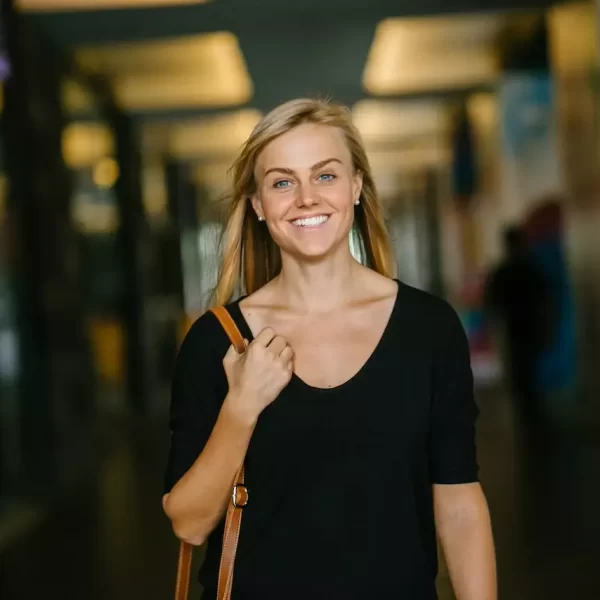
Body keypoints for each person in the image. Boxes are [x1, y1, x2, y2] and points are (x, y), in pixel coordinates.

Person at [163, 98, 496, 599]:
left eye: (325, 176)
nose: (305, 198)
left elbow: (458, 503)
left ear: (356, 187)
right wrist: (242, 406)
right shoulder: (218, 342)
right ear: (257, 205)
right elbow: (188, 523)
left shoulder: (428, 329)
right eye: (281, 182)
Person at [485, 225, 555, 423]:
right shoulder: (531, 269)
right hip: (529, 327)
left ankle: (526, 412)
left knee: (518, 370)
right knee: (529, 370)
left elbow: (492, 303)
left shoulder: (504, 271)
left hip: (513, 329)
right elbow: (546, 299)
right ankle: (533, 412)